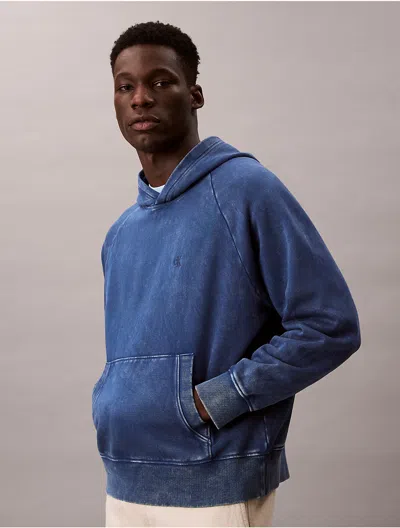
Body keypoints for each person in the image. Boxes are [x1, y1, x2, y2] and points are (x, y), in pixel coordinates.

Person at [92, 21, 361, 527]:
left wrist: (212, 401)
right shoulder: (120, 233)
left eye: (160, 82)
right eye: (125, 87)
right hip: (124, 479)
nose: (140, 98)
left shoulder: (246, 190)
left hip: (214, 481)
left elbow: (330, 326)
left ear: (194, 95)